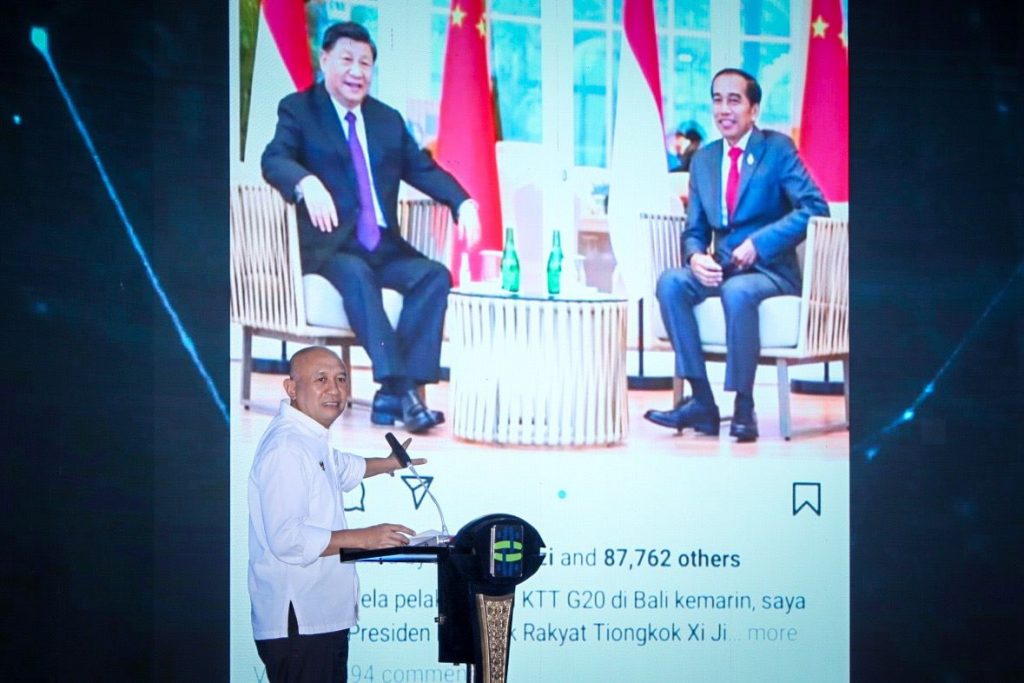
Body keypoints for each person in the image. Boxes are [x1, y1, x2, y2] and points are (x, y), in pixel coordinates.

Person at [262, 21, 480, 434]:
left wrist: (462, 201)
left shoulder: (385, 120)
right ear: (325, 60)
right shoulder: (299, 110)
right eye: (347, 59)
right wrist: (305, 182)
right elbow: (274, 159)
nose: (356, 71)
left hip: (382, 245)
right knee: (357, 274)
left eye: (365, 63)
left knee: (434, 275)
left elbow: (422, 169)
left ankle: (394, 396)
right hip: (330, 247)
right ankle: (402, 391)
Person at [645, 69, 828, 442]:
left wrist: (760, 243)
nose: (724, 109)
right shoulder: (704, 160)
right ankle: (702, 401)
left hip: (770, 271)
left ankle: (744, 405)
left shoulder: (776, 150)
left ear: (753, 109)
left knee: (738, 290)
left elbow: (815, 207)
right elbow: (695, 231)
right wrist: (696, 257)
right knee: (671, 282)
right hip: (723, 267)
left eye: (734, 100)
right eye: (717, 100)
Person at [248, 346, 425, 683]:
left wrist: (390, 463)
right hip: (301, 622)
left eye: (341, 379)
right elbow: (287, 539)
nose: (335, 390)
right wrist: (365, 538)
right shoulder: (286, 448)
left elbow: (341, 468)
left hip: (319, 618)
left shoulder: (308, 437)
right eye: (322, 380)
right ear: (291, 388)